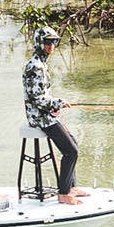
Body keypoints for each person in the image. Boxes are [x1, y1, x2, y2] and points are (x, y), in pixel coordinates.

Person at [22, 27, 88, 203]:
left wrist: (54, 106)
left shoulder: (41, 63)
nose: (51, 45)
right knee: (71, 151)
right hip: (39, 118)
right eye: (47, 42)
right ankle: (64, 194)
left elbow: (41, 97)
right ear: (39, 43)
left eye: (54, 42)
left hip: (46, 114)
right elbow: (37, 99)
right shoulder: (35, 67)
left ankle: (72, 186)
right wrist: (58, 103)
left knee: (72, 142)